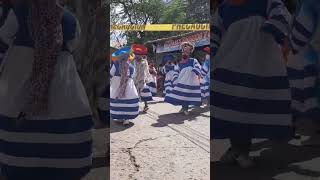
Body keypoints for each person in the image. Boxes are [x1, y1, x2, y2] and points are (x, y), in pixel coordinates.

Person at [0, 0, 93, 179]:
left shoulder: (19, 13)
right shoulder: (69, 19)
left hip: (18, 83)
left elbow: (3, 40)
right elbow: (73, 43)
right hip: (65, 85)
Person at [211, 0, 292, 168]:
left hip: (260, 61)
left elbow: (281, 15)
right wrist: (212, 49)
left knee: (249, 106)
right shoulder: (224, 9)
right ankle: (237, 148)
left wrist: (273, 28)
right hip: (231, 59)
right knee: (233, 107)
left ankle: (241, 150)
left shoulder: (266, 1)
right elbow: (214, 32)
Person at [287, 0, 320, 135]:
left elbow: (301, 31)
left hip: (308, 56)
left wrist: (291, 44)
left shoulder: (308, 3)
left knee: (304, 93)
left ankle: (302, 125)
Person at [165, 42, 202, 115]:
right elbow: (176, 71)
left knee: (188, 94)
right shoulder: (179, 63)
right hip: (181, 81)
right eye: (184, 51)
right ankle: (184, 108)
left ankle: (185, 108)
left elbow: (197, 66)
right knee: (182, 95)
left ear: (190, 52)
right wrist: (174, 79)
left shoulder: (193, 60)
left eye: (187, 52)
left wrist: (196, 70)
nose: (185, 53)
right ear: (182, 52)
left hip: (190, 81)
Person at [110, 47, 139, 125]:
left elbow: (111, 74)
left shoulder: (115, 64)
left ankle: (120, 117)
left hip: (117, 85)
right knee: (128, 99)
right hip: (128, 85)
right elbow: (133, 76)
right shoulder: (131, 66)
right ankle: (126, 119)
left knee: (118, 100)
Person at [132, 44, 153, 112]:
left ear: (142, 55)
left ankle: (146, 105)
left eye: (139, 54)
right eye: (136, 54)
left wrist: (147, 79)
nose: (138, 55)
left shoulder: (145, 61)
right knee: (134, 94)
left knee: (144, 93)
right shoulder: (133, 61)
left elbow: (147, 71)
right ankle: (134, 107)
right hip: (134, 80)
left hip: (142, 79)